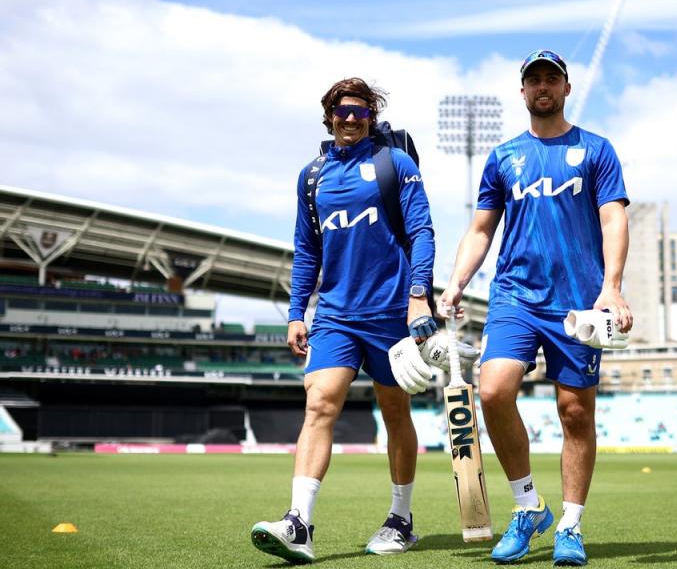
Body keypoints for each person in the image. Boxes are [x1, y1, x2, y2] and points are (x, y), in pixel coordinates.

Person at [439, 49, 632, 566]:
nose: (542, 86)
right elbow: (481, 229)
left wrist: (612, 287)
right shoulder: (504, 157)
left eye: (552, 78)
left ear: (566, 88)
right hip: (515, 296)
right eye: (534, 80)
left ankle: (570, 525)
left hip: (578, 303)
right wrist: (456, 281)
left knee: (574, 412)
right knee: (494, 389)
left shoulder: (596, 150)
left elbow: (614, 219)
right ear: (522, 91)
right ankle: (528, 507)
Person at [250, 78, 437, 563]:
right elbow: (306, 249)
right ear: (328, 116)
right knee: (320, 406)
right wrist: (296, 312)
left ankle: (401, 519)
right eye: (341, 111)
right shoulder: (312, 176)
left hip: (391, 314)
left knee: (395, 414)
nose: (350, 118)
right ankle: (298, 523)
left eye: (359, 111)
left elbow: (421, 231)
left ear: (370, 116)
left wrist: (419, 296)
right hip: (334, 316)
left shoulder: (394, 164)